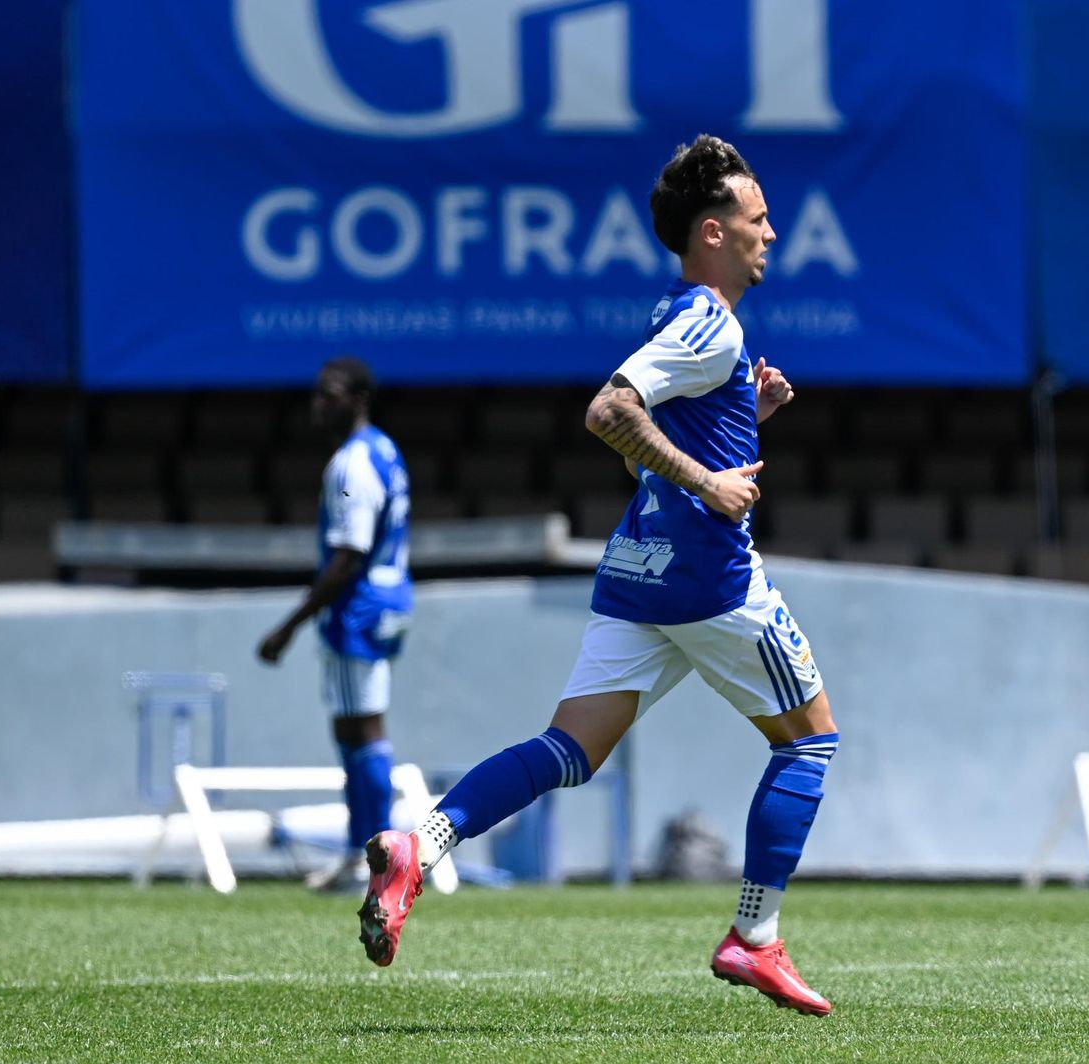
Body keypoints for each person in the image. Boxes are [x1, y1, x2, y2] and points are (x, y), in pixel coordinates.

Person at [356, 135, 839, 1016]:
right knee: (808, 741)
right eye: (758, 219)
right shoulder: (708, 322)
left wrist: (745, 422)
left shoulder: (676, 317)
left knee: (568, 750)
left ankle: (418, 846)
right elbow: (608, 411)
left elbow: (639, 447)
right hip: (708, 583)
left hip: (638, 573)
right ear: (713, 233)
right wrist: (708, 481)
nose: (774, 232)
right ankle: (753, 937)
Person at [257, 356, 412, 892]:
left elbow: (347, 553)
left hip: (359, 609)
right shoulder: (386, 450)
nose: (318, 404)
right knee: (364, 725)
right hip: (387, 601)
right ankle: (370, 852)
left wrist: (290, 625)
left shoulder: (351, 466)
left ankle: (371, 855)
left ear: (358, 398)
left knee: (359, 729)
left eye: (331, 394)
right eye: (317, 394)